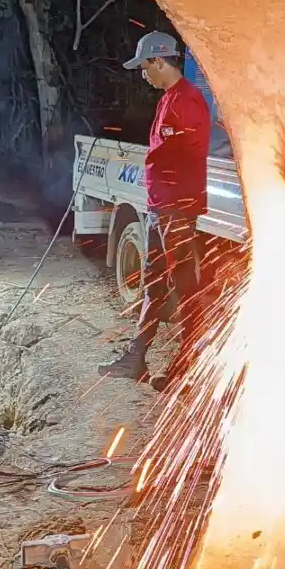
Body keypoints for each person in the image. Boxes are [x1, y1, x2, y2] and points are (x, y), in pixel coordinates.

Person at [101, 32, 213, 386]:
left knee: (184, 285)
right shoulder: (169, 99)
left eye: (144, 67)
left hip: (177, 208)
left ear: (159, 61)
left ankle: (189, 367)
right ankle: (136, 357)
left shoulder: (188, 101)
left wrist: (160, 154)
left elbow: (192, 150)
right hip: (161, 207)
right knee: (155, 284)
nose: (142, 74)